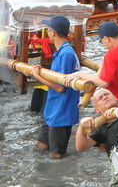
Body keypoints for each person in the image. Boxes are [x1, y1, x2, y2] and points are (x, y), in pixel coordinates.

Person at [31, 16, 80, 159]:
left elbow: (61, 88)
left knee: (56, 156)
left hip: (62, 111)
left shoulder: (66, 54)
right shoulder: (61, 51)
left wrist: (38, 77)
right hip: (53, 109)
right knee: (41, 146)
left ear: (53, 33)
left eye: (48, 30)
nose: (47, 32)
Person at [76, 88, 118, 187]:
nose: (104, 97)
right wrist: (81, 125)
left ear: (116, 98)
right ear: (97, 110)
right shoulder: (101, 127)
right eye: (100, 98)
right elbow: (81, 147)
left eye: (106, 94)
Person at [69, 22, 118, 102]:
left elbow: (103, 83)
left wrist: (80, 74)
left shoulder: (112, 54)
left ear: (107, 39)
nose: (103, 44)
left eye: (102, 41)